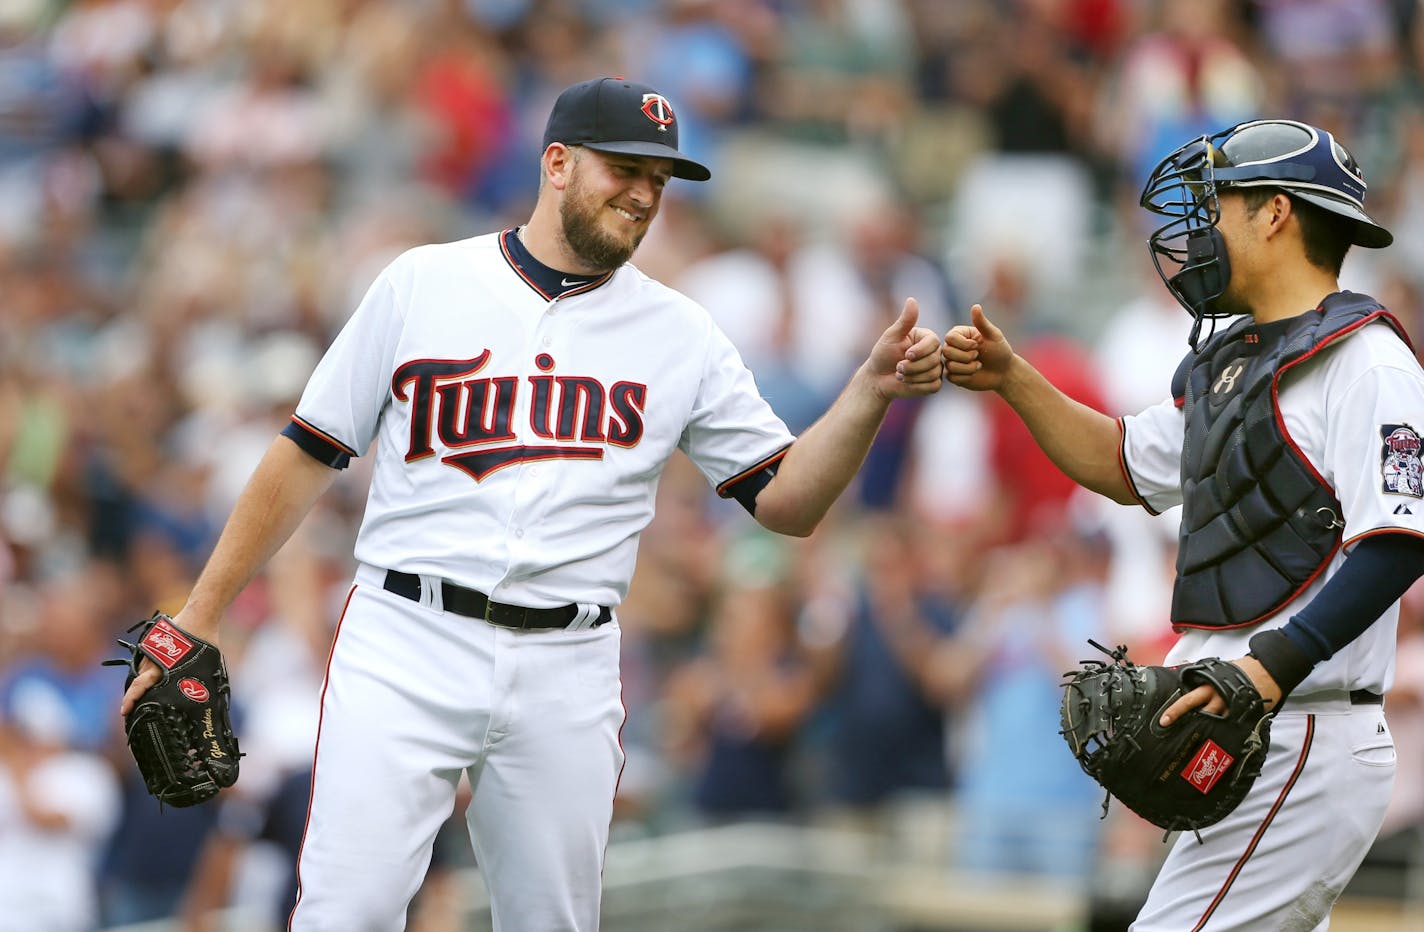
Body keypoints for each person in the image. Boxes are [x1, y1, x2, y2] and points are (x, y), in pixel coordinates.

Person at [116, 76, 944, 931]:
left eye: (659, 181)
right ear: (556, 162)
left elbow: (788, 502)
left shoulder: (682, 334)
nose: (643, 194)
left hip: (568, 659)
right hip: (407, 635)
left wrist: (868, 395)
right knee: (345, 912)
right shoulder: (422, 284)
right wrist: (201, 612)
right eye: (624, 168)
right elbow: (305, 454)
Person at [945, 118, 1424, 929]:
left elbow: (1401, 540)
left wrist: (1267, 671)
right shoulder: (1234, 364)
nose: (1198, 229)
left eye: (1219, 204)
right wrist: (1013, 378)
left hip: (1303, 728)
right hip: (1250, 733)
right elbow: (1124, 464)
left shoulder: (1368, 364)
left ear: (1275, 213)